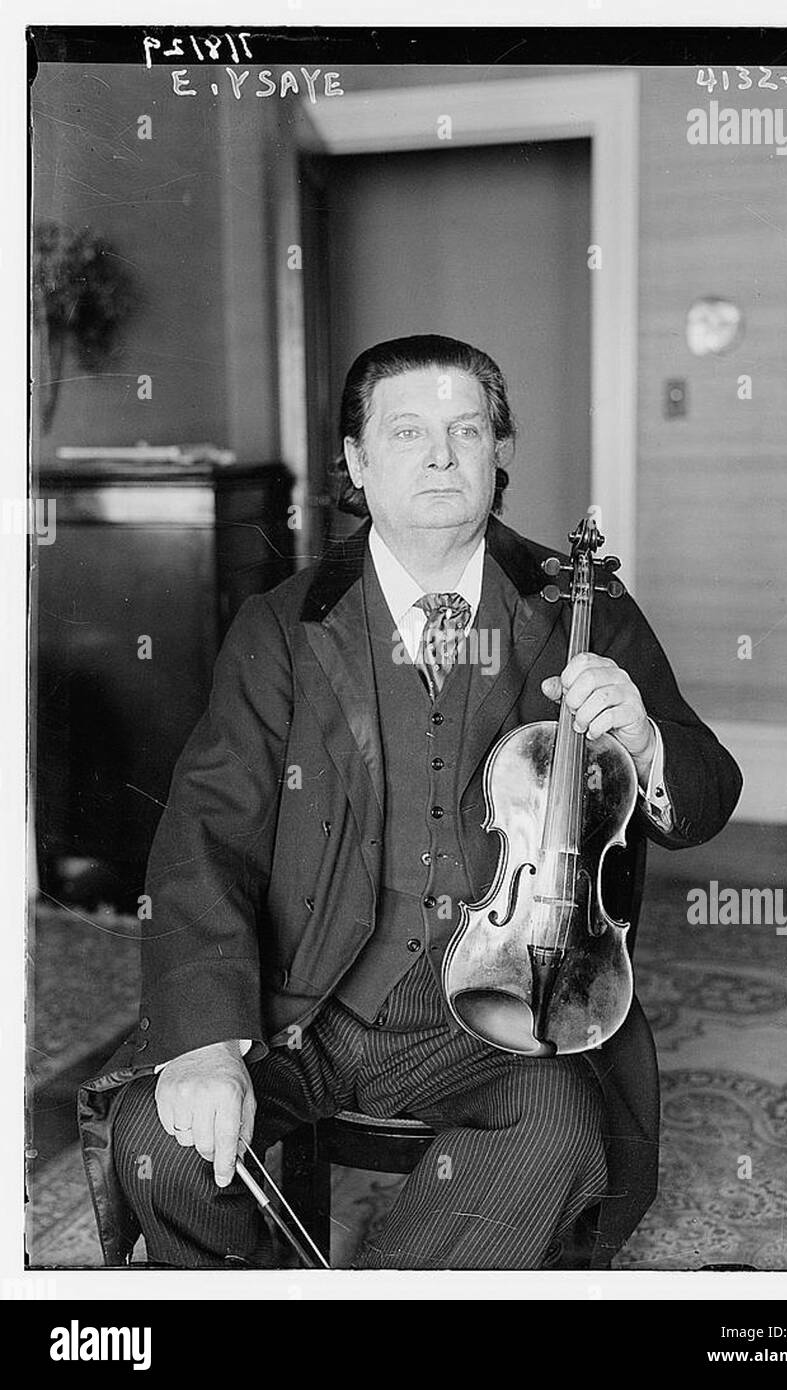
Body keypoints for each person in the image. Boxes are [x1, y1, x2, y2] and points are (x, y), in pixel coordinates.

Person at [80, 334, 742, 1270]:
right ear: (356, 461)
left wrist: (647, 742)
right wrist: (207, 1044)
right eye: (407, 431)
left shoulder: (580, 606)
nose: (441, 455)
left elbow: (711, 790)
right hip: (306, 999)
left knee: (558, 1136)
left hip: (508, 1006)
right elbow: (205, 833)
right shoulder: (283, 622)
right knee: (158, 1137)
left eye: (466, 429)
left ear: (498, 452)